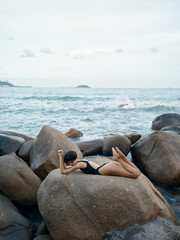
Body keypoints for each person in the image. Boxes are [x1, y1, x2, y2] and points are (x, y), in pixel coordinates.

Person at [58, 147, 141, 178]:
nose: (70, 165)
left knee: (135, 174)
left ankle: (118, 159)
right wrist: (62, 156)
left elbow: (63, 171)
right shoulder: (80, 161)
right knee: (137, 171)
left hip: (105, 169)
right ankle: (122, 157)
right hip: (107, 166)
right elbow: (65, 169)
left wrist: (60, 157)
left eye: (69, 163)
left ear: (71, 161)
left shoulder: (79, 164)